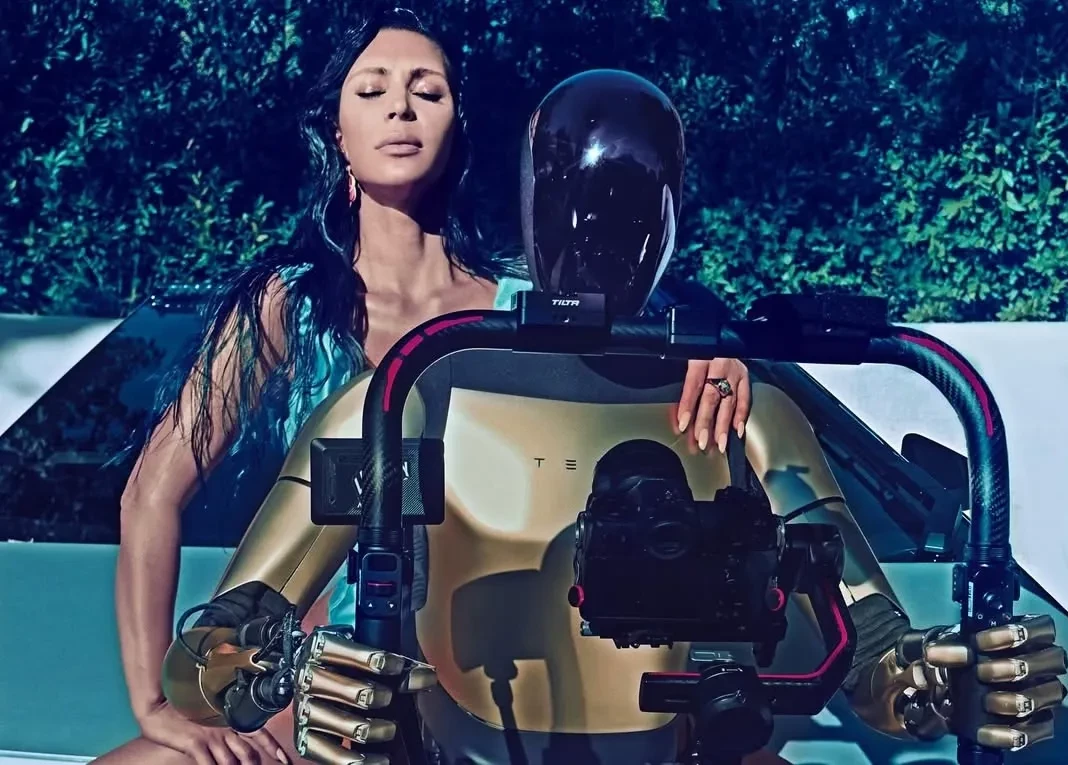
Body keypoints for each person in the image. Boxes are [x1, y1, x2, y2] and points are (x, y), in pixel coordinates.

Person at [147, 68, 1067, 765]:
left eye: (629, 201)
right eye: (577, 194)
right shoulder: (416, 395)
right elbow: (204, 657)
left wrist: (938, 679)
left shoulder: (733, 404)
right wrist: (286, 669)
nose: (597, 228)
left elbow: (870, 652)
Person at [93, 10, 751, 765]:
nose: (400, 109)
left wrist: (717, 354)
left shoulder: (527, 304)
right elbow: (149, 493)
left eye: (427, 91)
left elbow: (644, 388)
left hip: (508, 688)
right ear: (336, 132)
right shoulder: (287, 304)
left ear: (456, 127)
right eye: (372, 90)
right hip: (334, 694)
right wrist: (153, 704)